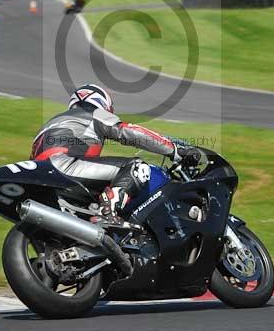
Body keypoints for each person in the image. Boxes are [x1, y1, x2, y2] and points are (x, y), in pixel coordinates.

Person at [30, 83, 200, 225]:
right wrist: (175, 149)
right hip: (66, 167)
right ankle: (107, 211)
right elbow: (128, 132)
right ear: (103, 103)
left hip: (43, 177)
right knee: (136, 166)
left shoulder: (51, 122)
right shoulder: (92, 113)